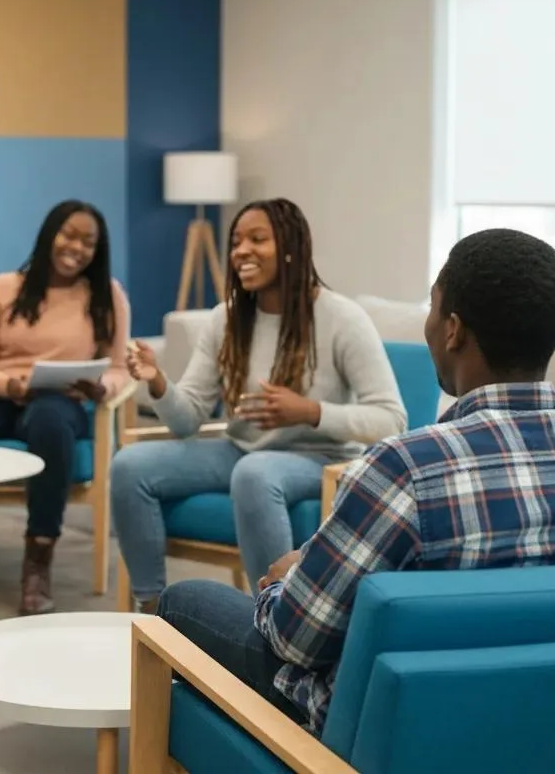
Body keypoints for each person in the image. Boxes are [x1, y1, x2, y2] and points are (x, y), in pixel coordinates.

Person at [158, 228, 555, 734]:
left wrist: (285, 581)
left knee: (183, 600)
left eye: (434, 308)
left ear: (454, 330)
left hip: (404, 733)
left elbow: (295, 640)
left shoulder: (407, 468)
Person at [111, 198, 406, 609]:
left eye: (257, 239)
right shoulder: (226, 319)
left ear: (290, 247)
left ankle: (272, 616)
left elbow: (391, 419)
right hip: (240, 450)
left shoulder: (342, 317)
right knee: (129, 465)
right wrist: (159, 382)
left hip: (320, 458)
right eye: (236, 241)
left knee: (254, 472)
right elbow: (188, 420)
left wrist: (309, 411)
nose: (241, 251)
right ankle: (153, 609)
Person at [0, 199, 130, 616]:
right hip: (2, 396)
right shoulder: (0, 289)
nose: (77, 247)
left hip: (61, 401)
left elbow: (120, 367)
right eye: (69, 234)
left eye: (88, 241)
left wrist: (102, 387)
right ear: (49, 234)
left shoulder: (107, 295)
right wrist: (11, 383)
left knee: (52, 422)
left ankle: (38, 563)